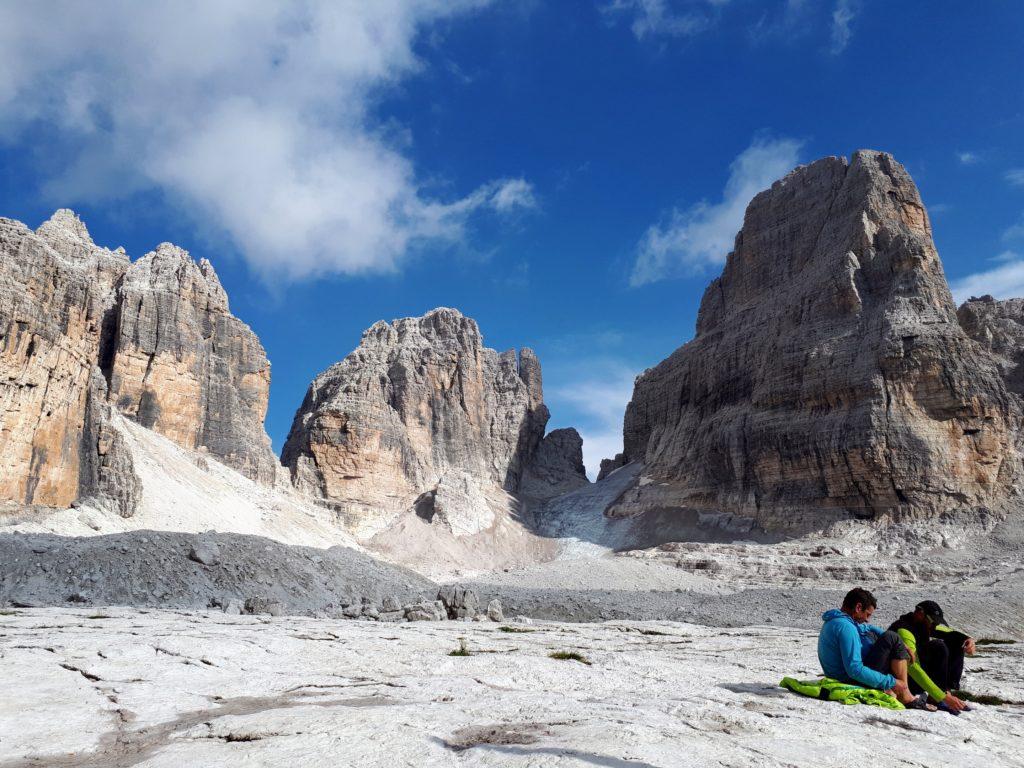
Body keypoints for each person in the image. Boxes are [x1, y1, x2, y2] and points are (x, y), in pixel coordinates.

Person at [817, 587, 933, 709]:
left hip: (840, 676)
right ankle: (905, 694)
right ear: (858, 607)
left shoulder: (838, 620)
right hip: (849, 680)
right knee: (892, 637)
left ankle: (903, 691)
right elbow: (855, 670)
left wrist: (904, 645)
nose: (867, 619)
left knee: (885, 636)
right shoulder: (846, 628)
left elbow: (868, 627)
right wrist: (892, 682)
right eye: (867, 614)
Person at [888, 600, 975, 714]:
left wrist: (968, 640)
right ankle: (938, 698)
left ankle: (947, 691)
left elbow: (950, 633)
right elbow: (912, 667)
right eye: (933, 622)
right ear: (920, 614)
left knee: (957, 642)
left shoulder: (924, 625)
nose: (935, 625)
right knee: (938, 646)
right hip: (905, 681)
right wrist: (941, 696)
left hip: (917, 679)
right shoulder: (904, 630)